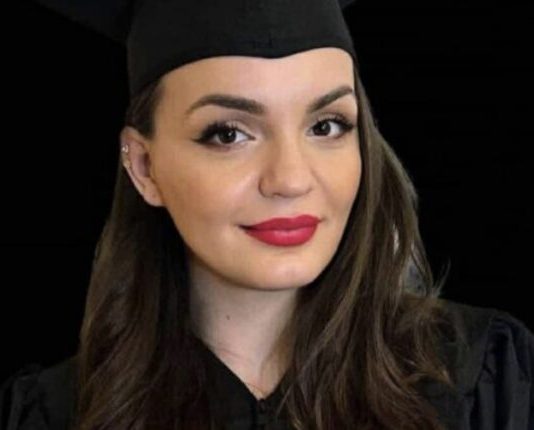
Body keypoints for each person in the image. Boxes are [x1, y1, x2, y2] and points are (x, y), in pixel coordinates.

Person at [1, 0, 533, 429]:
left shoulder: (481, 382)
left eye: (326, 125)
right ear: (144, 167)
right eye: (228, 134)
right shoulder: (58, 414)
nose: (291, 179)